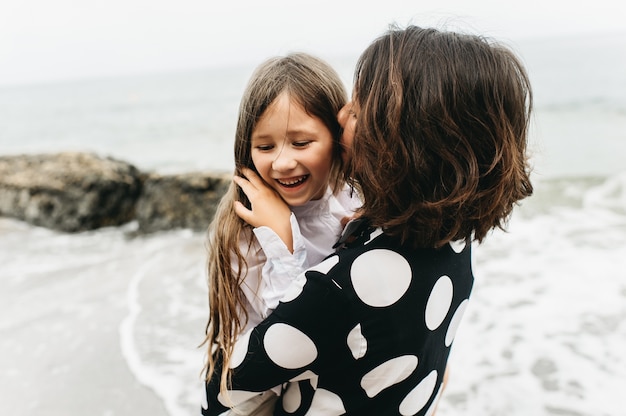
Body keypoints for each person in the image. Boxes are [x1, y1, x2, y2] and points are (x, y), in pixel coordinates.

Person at [202, 24, 533, 416]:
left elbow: (222, 394)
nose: (341, 113)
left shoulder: (340, 284)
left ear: (404, 141)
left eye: (358, 110)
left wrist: (286, 248)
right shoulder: (451, 238)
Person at [202, 52, 361, 414]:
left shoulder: (354, 200)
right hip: (263, 396)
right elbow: (278, 348)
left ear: (336, 138)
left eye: (302, 143)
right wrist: (282, 244)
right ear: (246, 148)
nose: (283, 162)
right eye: (265, 146)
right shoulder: (245, 236)